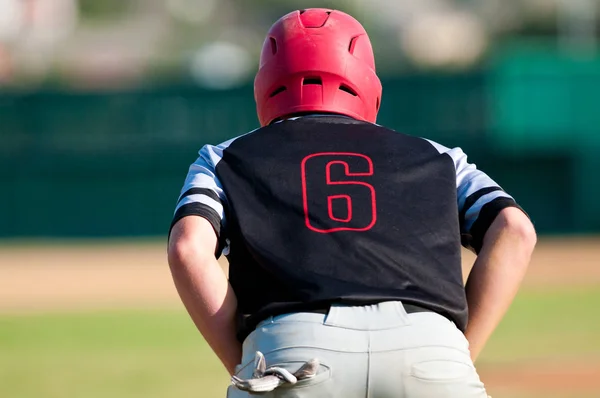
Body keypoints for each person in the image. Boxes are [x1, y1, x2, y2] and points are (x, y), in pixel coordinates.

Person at [167, 8, 536, 398]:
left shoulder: (224, 158)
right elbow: (514, 230)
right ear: (366, 83)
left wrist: (243, 359)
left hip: (294, 348)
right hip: (432, 346)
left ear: (266, 85)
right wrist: (457, 352)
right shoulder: (440, 157)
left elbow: (189, 248)